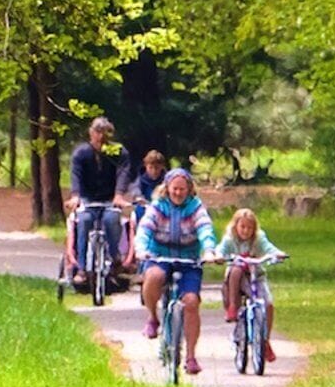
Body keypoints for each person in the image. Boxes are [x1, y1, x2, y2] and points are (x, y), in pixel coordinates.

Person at [134, 164, 219, 365]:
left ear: (189, 189)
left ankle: (190, 356)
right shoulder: (158, 205)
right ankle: (153, 318)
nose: (178, 193)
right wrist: (141, 249)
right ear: (167, 188)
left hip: (188, 261)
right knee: (153, 277)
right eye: (175, 189)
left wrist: (208, 250)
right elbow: (145, 228)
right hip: (159, 256)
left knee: (191, 302)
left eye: (182, 189)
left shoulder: (196, 207)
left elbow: (205, 229)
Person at [61, 118, 131, 283]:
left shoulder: (119, 152)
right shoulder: (81, 153)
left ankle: (115, 260)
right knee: (84, 221)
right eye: (97, 132)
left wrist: (119, 194)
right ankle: (82, 268)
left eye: (105, 132)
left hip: (109, 200)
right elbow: (76, 175)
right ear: (91, 132)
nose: (101, 137)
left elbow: (123, 173)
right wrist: (75, 196)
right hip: (87, 199)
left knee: (112, 220)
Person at [219, 205, 285, 332]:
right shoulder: (230, 239)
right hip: (235, 280)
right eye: (242, 227)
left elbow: (268, 248)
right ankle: (233, 305)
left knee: (268, 304)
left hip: (255, 276)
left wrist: (277, 254)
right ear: (235, 226)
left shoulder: (258, 239)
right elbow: (220, 249)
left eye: (250, 228)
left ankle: (265, 341)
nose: (246, 231)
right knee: (236, 269)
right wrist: (218, 256)